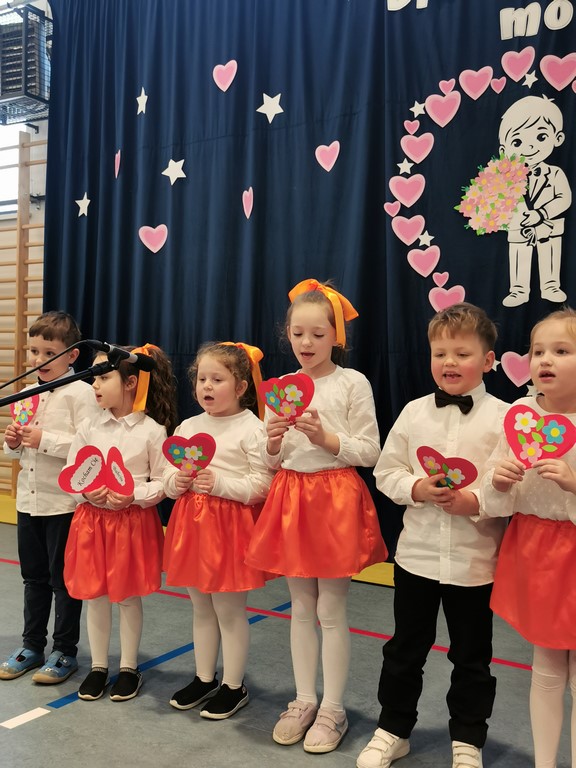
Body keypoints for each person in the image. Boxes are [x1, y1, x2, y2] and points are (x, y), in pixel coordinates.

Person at [357, 303, 508, 768]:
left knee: (472, 658)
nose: (448, 362)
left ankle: (468, 738)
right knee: (404, 650)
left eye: (462, 353)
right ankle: (393, 729)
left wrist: (475, 502)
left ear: (488, 360)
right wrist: (416, 488)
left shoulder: (506, 419)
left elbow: (512, 489)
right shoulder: (413, 412)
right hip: (416, 558)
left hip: (475, 563)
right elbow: (386, 472)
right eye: (439, 353)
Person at [246, 278, 388, 755]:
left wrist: (326, 438)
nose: (306, 343)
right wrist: (271, 441)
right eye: (297, 333)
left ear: (336, 337)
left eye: (318, 334)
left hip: (335, 498)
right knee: (301, 607)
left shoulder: (352, 382)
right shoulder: (282, 388)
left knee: (330, 609)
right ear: (286, 333)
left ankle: (333, 708)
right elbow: (270, 460)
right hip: (291, 498)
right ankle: (304, 700)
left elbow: (371, 450)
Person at [480, 307, 576, 768]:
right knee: (546, 667)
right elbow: (495, 494)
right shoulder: (521, 416)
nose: (545, 360)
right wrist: (499, 482)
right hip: (536, 550)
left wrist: (574, 484)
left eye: (561, 351)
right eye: (538, 351)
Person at [163, 341, 273, 720]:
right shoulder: (188, 426)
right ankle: (204, 678)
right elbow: (167, 474)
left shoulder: (252, 428)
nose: (206, 386)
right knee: (201, 607)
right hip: (191, 526)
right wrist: (175, 482)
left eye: (217, 379)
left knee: (229, 610)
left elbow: (264, 484)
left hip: (230, 529)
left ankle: (233, 685)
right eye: (201, 379)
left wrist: (222, 484)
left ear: (241, 387)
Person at [62, 343, 177, 702]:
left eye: (103, 376)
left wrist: (134, 495)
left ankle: (128, 667)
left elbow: (163, 482)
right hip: (92, 523)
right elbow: (72, 474)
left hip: (131, 524)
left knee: (127, 597)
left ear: (130, 383)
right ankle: (98, 667)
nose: (94, 384)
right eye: (94, 377)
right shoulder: (88, 426)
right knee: (95, 596)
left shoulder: (152, 431)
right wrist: (87, 493)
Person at [0, 311, 100, 684]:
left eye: (49, 353)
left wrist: (46, 440)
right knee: (33, 578)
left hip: (64, 505)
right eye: (34, 352)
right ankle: (31, 646)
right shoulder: (27, 392)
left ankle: (64, 651)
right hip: (30, 502)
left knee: (64, 581)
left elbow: (89, 450)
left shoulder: (83, 394)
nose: (39, 360)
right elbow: (17, 453)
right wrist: (13, 442)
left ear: (72, 355)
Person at [498, 95, 571, 307]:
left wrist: (541, 214)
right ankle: (518, 289)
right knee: (518, 256)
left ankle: (551, 286)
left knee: (550, 254)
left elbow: (564, 198)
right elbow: (498, 203)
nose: (529, 147)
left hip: (548, 225)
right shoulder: (504, 177)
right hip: (519, 227)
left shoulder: (555, 173)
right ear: (504, 150)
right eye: (517, 141)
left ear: (558, 138)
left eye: (540, 137)